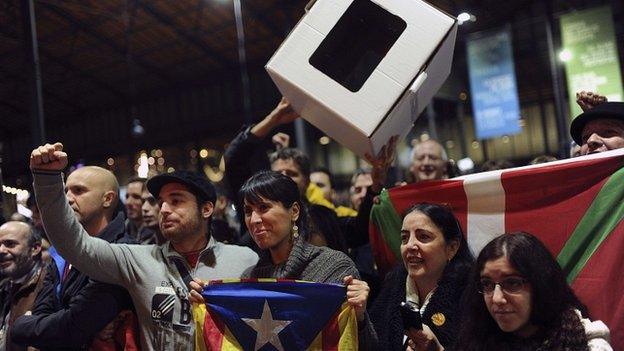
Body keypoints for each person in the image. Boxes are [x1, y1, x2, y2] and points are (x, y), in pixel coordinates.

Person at [28, 142, 258, 350]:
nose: (165, 209)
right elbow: (74, 246)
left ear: (206, 209)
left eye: (176, 200)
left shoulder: (245, 260)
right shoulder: (138, 259)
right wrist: (47, 180)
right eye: (162, 202)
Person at [237, 171, 377, 349]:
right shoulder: (248, 280)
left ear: (294, 211)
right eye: (248, 211)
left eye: (264, 207)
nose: (254, 219)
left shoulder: (334, 268)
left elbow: (366, 346)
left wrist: (359, 317)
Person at [13, 166, 137, 350]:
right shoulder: (61, 252)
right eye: (66, 191)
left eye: (79, 191)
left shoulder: (123, 252)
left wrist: (21, 325)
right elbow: (45, 313)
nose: (68, 199)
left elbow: (73, 326)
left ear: (108, 199)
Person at [457, 232, 612, 350]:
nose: (496, 298)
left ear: (541, 284)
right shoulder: (477, 338)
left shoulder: (587, 342)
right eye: (487, 284)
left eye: (512, 283)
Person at [369, 203, 474, 351]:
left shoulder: (472, 296)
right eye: (404, 238)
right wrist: (361, 320)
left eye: (423, 237)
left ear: (452, 248)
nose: (410, 245)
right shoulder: (393, 285)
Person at [0, 221, 46, 351]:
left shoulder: (48, 286)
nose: (1, 251)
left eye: (10, 244)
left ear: (35, 248)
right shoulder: (5, 286)